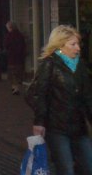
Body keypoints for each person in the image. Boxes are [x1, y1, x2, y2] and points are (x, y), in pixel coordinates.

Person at [26, 25, 92, 174]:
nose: (78, 48)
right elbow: (38, 94)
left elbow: (87, 97)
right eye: (73, 44)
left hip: (79, 127)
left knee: (88, 165)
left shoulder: (80, 66)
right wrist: (40, 121)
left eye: (78, 44)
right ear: (60, 46)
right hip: (57, 128)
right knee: (66, 168)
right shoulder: (50, 64)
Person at [3, 20, 26, 95]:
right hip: (20, 58)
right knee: (18, 72)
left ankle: (14, 87)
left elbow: (6, 45)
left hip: (12, 57)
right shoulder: (20, 35)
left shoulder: (9, 36)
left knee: (12, 73)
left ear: (10, 28)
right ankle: (16, 88)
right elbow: (23, 46)